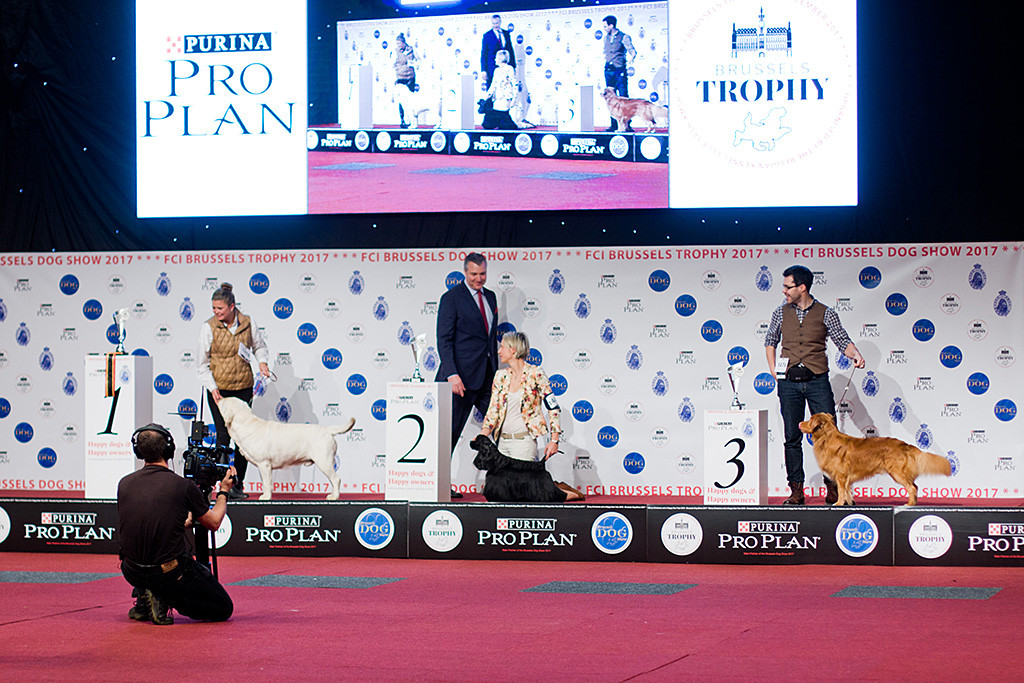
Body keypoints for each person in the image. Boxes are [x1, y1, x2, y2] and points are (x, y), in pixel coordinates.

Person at [765, 265, 866, 505]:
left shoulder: (826, 313)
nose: (784, 291)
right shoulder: (780, 313)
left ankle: (833, 488)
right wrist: (773, 371)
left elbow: (843, 341)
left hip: (817, 380)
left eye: (787, 286)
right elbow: (770, 341)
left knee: (830, 437)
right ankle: (796, 490)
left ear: (802, 287)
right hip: (789, 382)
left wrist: (855, 354)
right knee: (792, 437)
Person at [117, 423, 235, 625]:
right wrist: (223, 491)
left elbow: (147, 520)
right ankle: (165, 596)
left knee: (154, 566)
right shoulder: (183, 486)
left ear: (138, 451)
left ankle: (146, 597)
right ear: (168, 450)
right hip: (168, 572)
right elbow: (214, 523)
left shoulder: (124, 483)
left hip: (131, 570)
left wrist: (182, 521)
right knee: (223, 608)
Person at [473, 332, 582, 502]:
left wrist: (554, 440)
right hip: (501, 444)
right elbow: (492, 411)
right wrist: (483, 435)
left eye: (502, 347)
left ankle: (567, 493)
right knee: (502, 496)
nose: (499, 351)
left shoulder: (536, 373)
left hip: (524, 443)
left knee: (526, 495)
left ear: (513, 350)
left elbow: (552, 407)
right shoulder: (500, 376)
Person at [197, 282, 271, 499]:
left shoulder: (248, 323)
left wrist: (263, 363)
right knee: (223, 437)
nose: (216, 312)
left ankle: (237, 485)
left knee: (244, 439)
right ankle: (222, 486)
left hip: (244, 389)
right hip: (219, 392)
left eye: (219, 308)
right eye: (213, 309)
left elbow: (260, 346)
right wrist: (212, 388)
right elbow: (202, 364)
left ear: (232, 306)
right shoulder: (208, 327)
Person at [436, 253, 498, 497]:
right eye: (474, 274)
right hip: (458, 380)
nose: (479, 279)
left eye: (482, 274)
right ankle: (440, 484)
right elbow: (444, 339)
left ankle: (508, 482)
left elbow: (489, 339)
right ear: (465, 273)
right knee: (449, 435)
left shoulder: (491, 297)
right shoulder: (451, 298)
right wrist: (451, 374)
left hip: (487, 377)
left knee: (500, 427)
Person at [602, 15, 637, 131]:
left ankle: (626, 125)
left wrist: (631, 57)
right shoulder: (606, 37)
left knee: (623, 97)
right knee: (610, 97)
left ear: (611, 25)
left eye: (605, 26)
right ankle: (614, 125)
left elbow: (632, 50)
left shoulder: (624, 37)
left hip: (619, 70)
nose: (604, 28)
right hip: (609, 70)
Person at [483, 50, 518, 130]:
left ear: (500, 58)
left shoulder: (510, 69)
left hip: (505, 98)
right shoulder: (496, 70)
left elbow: (514, 85)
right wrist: (486, 96)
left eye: (496, 58)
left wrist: (514, 99)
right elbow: (493, 85)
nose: (495, 59)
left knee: (503, 116)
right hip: (497, 99)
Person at [481, 14, 515, 88]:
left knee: (506, 88)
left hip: (506, 67)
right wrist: (483, 70)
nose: (495, 25)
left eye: (497, 23)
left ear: (500, 22)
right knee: (491, 89)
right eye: (493, 23)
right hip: (491, 68)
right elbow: (484, 54)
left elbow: (510, 50)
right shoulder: (487, 35)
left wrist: (513, 66)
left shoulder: (506, 34)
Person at [393, 33, 416, 128]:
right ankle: (402, 120)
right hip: (400, 77)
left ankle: (411, 120)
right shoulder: (395, 52)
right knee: (401, 100)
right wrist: (398, 69)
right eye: (397, 44)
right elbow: (393, 64)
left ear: (403, 43)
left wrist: (414, 64)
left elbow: (418, 60)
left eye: (399, 44)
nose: (398, 46)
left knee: (410, 100)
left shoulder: (411, 50)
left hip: (410, 77)